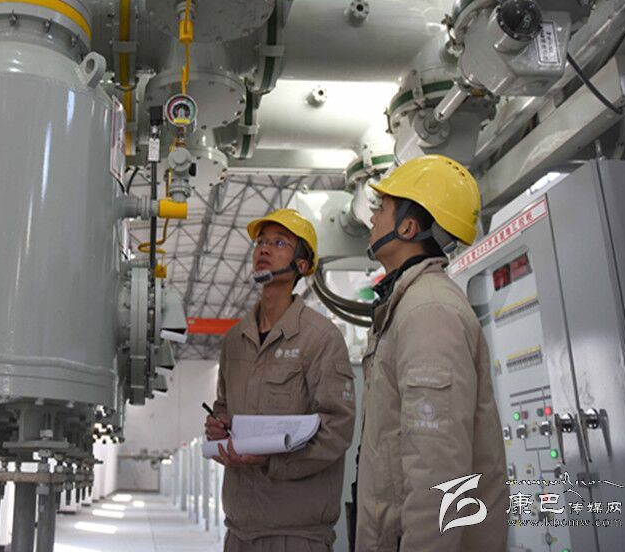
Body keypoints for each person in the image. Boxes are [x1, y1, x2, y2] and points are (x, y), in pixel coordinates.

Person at [353, 154, 508, 551]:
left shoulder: (429, 312)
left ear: (408, 227)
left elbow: (437, 468)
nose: (372, 218)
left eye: (382, 208)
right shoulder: (410, 305)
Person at [206, 208, 356, 552]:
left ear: (301, 265)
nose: (264, 248)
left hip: (296, 535)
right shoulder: (235, 340)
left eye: (279, 243)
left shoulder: (320, 338)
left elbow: (337, 430)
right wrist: (218, 426)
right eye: (261, 241)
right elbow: (224, 407)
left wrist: (272, 462)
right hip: (238, 532)